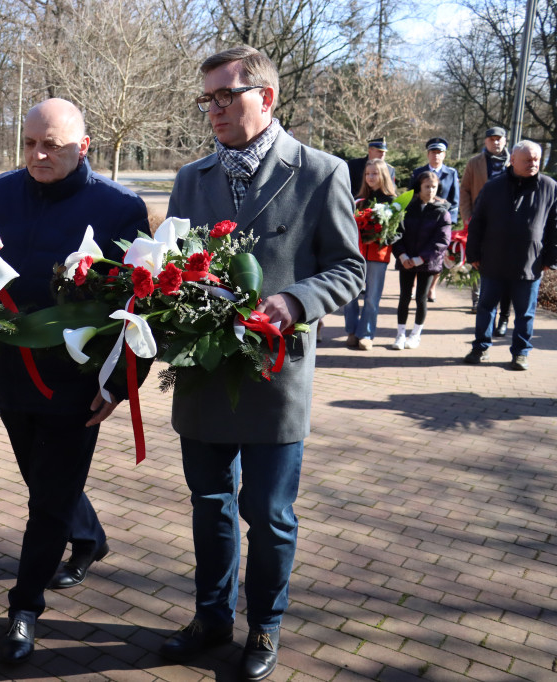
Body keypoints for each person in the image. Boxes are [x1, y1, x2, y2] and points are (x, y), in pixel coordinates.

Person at [159, 46, 364, 681]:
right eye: (207, 99)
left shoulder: (321, 171)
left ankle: (264, 626)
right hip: (203, 373)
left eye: (225, 96)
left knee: (270, 517)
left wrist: (296, 300)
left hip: (276, 372)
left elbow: (349, 268)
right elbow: (168, 263)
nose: (213, 109)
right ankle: (211, 617)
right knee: (209, 503)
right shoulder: (192, 178)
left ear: (265, 97)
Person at [0, 98, 150, 663]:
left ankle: (24, 606)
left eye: (51, 145)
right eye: (29, 143)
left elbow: (140, 303)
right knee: (42, 479)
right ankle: (89, 538)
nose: (37, 155)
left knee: (47, 501)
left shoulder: (119, 208)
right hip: (8, 373)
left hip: (75, 383)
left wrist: (119, 384)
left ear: (83, 147)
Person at [463, 140, 557, 370]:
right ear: (512, 160)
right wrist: (473, 253)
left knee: (525, 313)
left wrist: (551, 260)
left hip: (529, 262)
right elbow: (478, 222)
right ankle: (480, 348)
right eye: (528, 160)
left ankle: (520, 353)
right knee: (486, 307)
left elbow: (555, 226)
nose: (533, 163)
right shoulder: (493, 187)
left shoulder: (549, 186)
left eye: (536, 159)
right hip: (493, 259)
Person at [388, 171, 452, 350]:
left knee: (421, 298)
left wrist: (420, 259)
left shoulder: (442, 212)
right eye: (427, 186)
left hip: (427, 263)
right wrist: (402, 255)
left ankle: (415, 334)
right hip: (406, 259)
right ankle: (400, 334)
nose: (431, 190)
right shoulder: (406, 207)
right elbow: (396, 232)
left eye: (434, 187)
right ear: (419, 187)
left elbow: (442, 241)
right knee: (404, 297)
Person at [344, 158, 399, 350]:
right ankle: (351, 331)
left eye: (374, 173)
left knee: (372, 297)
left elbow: (398, 231)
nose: (370, 177)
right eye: (368, 174)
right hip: (356, 254)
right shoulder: (359, 200)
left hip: (378, 255)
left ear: (383, 175)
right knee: (350, 293)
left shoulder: (393, 202)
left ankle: (366, 334)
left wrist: (382, 234)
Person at [460, 126, 511, 325]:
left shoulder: (514, 161)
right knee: (477, 260)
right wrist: (467, 217)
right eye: (491, 139)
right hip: (480, 221)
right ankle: (477, 299)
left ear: (505, 141)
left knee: (505, 268)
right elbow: (464, 189)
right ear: (485, 142)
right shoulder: (475, 163)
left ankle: (503, 314)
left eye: (499, 139)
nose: (495, 142)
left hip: (507, 224)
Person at [408, 137, 459, 302]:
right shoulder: (418, 172)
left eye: (439, 152)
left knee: (438, 255)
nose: (436, 156)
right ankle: (414, 286)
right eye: (433, 152)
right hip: (420, 220)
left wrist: (451, 221)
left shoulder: (451, 173)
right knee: (416, 252)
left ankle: (431, 288)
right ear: (428, 154)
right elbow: (411, 195)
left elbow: (455, 200)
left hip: (440, 222)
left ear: (444, 155)